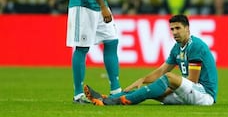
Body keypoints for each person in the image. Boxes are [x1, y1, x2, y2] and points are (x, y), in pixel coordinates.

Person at [84, 14, 218, 106]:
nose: (175, 32)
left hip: (204, 95)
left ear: (187, 29)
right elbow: (161, 70)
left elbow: (192, 81)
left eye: (178, 28)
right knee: (151, 91)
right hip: (188, 93)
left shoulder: (196, 46)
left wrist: (168, 87)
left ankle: (121, 101)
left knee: (168, 78)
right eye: (172, 29)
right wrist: (142, 80)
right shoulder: (177, 48)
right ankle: (107, 98)